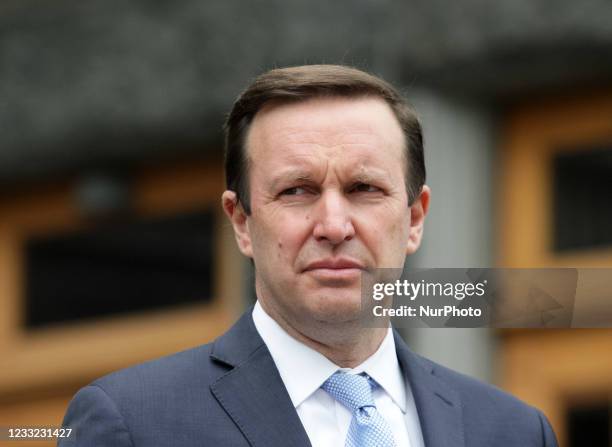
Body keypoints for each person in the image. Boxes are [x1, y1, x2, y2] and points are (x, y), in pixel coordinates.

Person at [59, 65, 558, 447]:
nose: (335, 226)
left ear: (415, 218)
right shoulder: (133, 424)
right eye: (297, 191)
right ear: (242, 222)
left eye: (364, 188)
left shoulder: (512, 430)